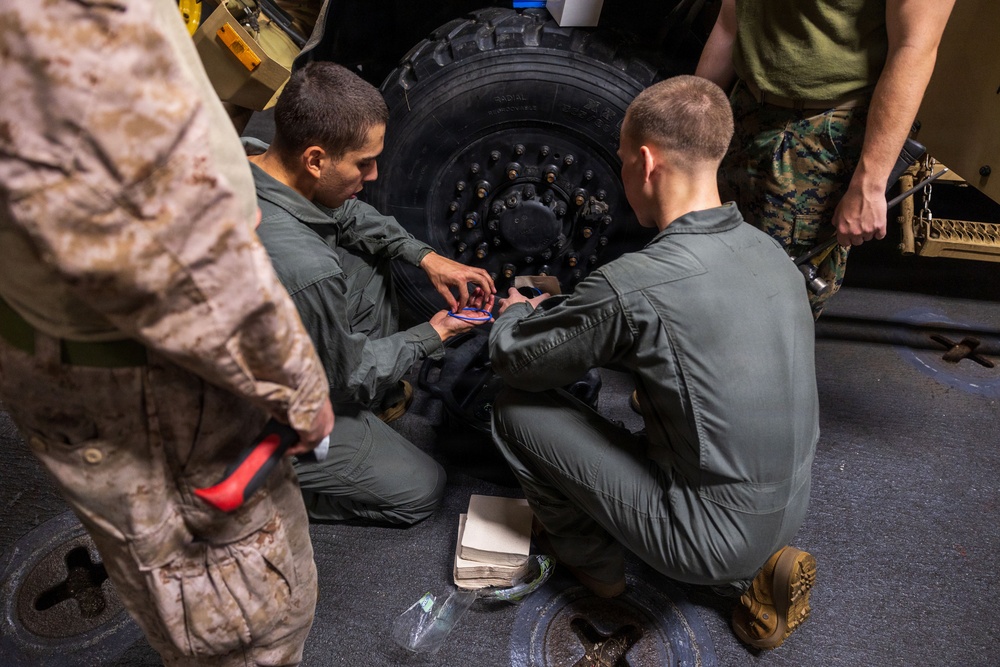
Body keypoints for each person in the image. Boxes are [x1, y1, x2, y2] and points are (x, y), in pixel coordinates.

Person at [0, 1, 334, 665]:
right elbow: (182, 245)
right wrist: (299, 390)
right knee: (244, 615)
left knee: (167, 565)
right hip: (154, 364)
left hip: (58, 331)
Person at [489, 75, 820, 650]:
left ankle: (597, 564)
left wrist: (515, 312)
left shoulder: (637, 280)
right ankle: (753, 566)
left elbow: (517, 361)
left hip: (707, 537)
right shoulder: (770, 250)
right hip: (788, 508)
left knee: (514, 407)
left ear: (645, 163)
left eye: (621, 161)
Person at [246, 61, 496, 525]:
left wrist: (426, 257)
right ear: (316, 160)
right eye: (363, 163)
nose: (375, 174)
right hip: (252, 416)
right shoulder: (307, 268)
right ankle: (257, 492)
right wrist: (436, 333)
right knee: (422, 488)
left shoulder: (251, 159)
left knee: (371, 254)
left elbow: (346, 216)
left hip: (244, 344)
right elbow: (346, 376)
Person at [695, 0, 956, 317]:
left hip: (822, 131)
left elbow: (913, 49)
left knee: (778, 298)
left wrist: (870, 184)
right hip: (741, 108)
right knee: (710, 265)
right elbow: (731, 20)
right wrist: (691, 122)